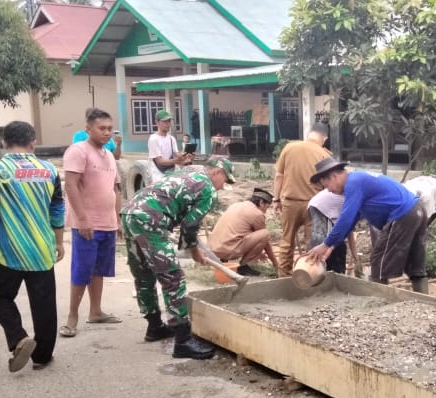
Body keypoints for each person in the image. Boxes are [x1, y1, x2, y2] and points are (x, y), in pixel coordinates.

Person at [0, 121, 65, 372]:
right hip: (41, 250)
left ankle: (19, 337)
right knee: (44, 304)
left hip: (8, 251)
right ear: (33, 142)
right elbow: (57, 208)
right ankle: (43, 356)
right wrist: (59, 240)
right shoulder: (49, 170)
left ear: (3, 143)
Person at [121, 155, 236, 358]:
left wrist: (191, 247)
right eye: (225, 180)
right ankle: (183, 340)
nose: (222, 186)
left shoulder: (188, 172)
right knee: (172, 277)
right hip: (151, 219)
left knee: (144, 274)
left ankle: (154, 326)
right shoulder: (208, 188)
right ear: (217, 172)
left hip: (131, 212)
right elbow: (190, 225)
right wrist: (193, 250)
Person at [304, 159, 428, 293]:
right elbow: (352, 220)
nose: (329, 190)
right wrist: (332, 245)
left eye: (326, 185)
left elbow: (345, 219)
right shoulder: (358, 180)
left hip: (403, 214)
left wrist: (325, 244)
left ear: (334, 176)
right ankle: (424, 301)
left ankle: (378, 303)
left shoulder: (353, 183)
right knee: (415, 264)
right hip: (417, 209)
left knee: (378, 262)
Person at [60, 109, 123, 338]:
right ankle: (72, 316)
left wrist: (118, 219)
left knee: (99, 269)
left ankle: (95, 311)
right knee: (82, 269)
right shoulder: (78, 151)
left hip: (107, 223)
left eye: (109, 128)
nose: (107, 133)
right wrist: (82, 218)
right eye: (102, 128)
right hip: (87, 224)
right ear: (89, 129)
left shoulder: (108, 156)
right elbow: (71, 186)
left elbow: (115, 189)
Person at [272, 123, 331, 277]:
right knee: (312, 245)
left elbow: (279, 176)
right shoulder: (325, 155)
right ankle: (307, 277)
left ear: (309, 133)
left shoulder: (289, 148)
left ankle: (283, 277)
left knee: (286, 242)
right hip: (314, 206)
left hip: (290, 203)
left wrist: (276, 199)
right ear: (324, 138)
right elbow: (328, 185)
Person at [207, 188, 278, 276]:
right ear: (261, 203)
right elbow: (264, 241)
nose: (266, 211)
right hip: (228, 250)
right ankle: (244, 267)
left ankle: (222, 259)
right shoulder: (257, 214)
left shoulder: (236, 205)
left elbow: (242, 231)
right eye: (266, 208)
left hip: (213, 249)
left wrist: (260, 252)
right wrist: (275, 263)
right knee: (265, 233)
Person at [307, 188, 360, 276]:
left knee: (331, 244)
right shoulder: (355, 202)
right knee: (324, 245)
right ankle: (318, 274)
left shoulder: (353, 201)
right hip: (322, 207)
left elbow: (348, 230)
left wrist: (356, 258)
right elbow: (346, 230)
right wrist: (356, 258)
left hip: (318, 203)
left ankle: (330, 275)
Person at [146, 109, 183, 183]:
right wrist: (176, 160)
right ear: (157, 122)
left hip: (171, 175)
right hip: (158, 177)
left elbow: (176, 154)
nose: (168, 124)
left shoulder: (171, 138)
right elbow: (160, 161)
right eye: (165, 121)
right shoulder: (153, 139)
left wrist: (184, 156)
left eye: (169, 121)